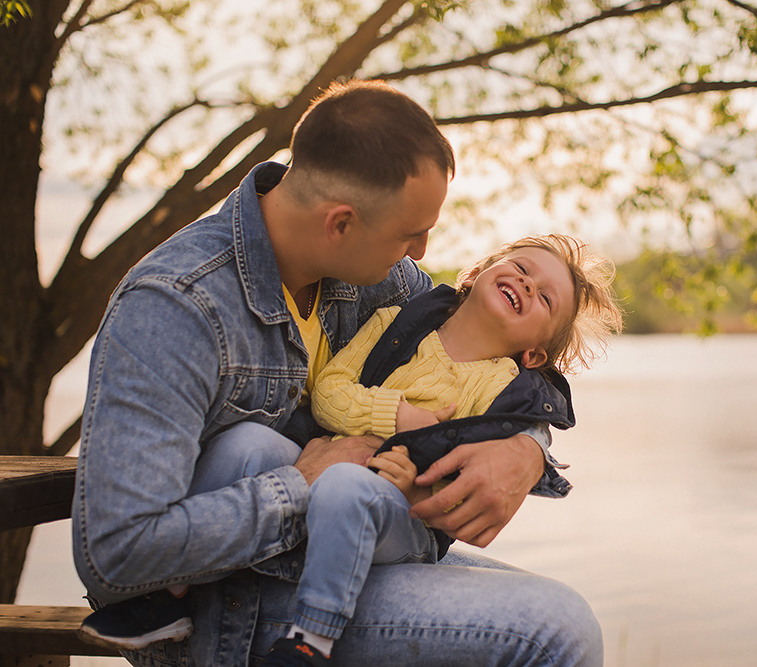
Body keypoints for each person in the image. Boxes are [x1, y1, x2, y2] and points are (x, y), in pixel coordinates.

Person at [71, 79, 604, 666]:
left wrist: (526, 448)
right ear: (340, 223)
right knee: (557, 630)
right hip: (232, 597)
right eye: (410, 233)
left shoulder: (378, 272)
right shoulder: (176, 307)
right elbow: (116, 555)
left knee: (560, 611)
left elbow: (490, 357)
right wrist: (303, 483)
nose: (423, 253)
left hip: (343, 537)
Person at [257, 234, 622, 665]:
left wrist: (415, 488)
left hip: (403, 523)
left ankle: (310, 641)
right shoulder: (391, 323)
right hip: (322, 478)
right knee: (249, 445)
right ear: (474, 275)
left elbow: (468, 492)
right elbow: (329, 393)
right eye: (522, 270)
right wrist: (398, 416)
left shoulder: (499, 390)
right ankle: (176, 589)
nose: (526, 286)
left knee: (346, 487)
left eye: (544, 298)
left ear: (535, 355)